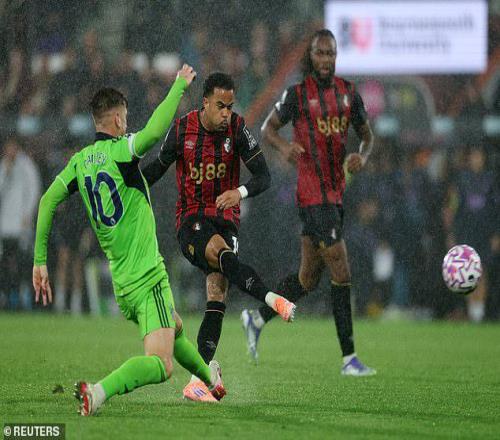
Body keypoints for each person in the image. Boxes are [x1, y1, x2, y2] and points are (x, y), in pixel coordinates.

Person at [32, 64, 226, 416]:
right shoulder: (121, 151)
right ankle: (98, 392)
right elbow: (153, 132)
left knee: (174, 326)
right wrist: (179, 86)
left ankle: (210, 382)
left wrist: (39, 261)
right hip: (147, 276)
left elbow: (47, 202)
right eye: (126, 118)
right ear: (118, 120)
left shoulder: (79, 163)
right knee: (161, 365)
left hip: (123, 283)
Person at [142, 72, 296, 397]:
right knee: (219, 252)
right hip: (192, 220)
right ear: (206, 103)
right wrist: (127, 184)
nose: (227, 112)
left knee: (217, 292)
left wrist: (239, 192)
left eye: (230, 106)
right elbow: (155, 169)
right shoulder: (183, 129)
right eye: (221, 106)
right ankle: (271, 299)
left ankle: (199, 379)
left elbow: (264, 176)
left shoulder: (237, 129)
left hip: (226, 221)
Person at [241, 29, 376, 375]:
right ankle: (349, 359)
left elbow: (367, 136)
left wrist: (362, 156)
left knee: (307, 279)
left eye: (330, 54)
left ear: (336, 57)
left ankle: (257, 318)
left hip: (335, 193)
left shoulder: (349, 94)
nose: (325, 59)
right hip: (312, 195)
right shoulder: (297, 95)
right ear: (311, 57)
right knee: (341, 271)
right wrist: (285, 147)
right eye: (320, 53)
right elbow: (268, 130)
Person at [0, 136, 41, 310]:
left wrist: (28, 214)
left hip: (20, 224)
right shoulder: (3, 166)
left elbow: (34, 190)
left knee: (22, 262)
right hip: (4, 225)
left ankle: (23, 296)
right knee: (5, 263)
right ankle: (7, 295)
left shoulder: (26, 165)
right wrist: (6, 173)